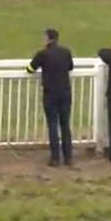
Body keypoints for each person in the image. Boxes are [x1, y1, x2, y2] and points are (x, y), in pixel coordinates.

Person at [27, 28, 74, 167]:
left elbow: (30, 69)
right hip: (65, 92)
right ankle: (68, 157)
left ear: (48, 38)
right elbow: (70, 67)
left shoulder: (43, 54)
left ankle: (55, 158)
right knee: (65, 125)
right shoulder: (66, 52)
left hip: (50, 93)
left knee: (53, 125)